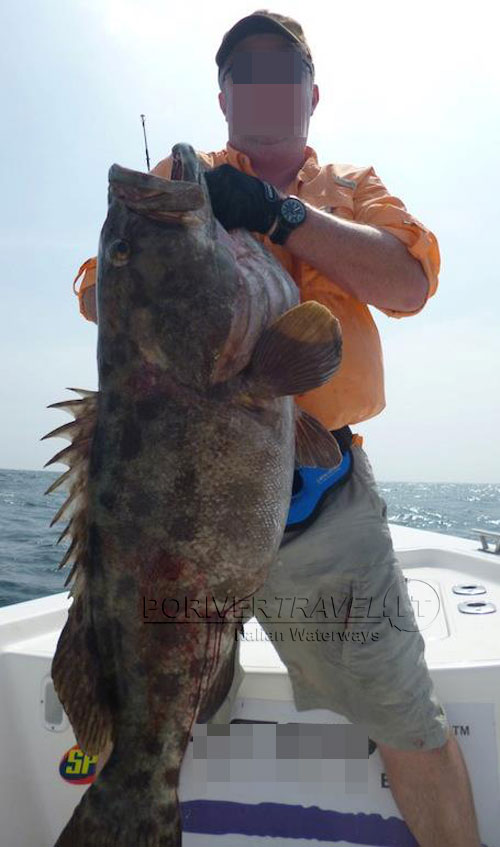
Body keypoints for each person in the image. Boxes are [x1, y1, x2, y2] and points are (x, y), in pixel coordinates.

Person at [76, 11, 482, 845]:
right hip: (178, 530)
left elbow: (407, 283)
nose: (263, 79)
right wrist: (175, 238)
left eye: (281, 65)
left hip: (317, 522)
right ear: (222, 95)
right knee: (148, 707)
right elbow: (99, 288)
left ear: (311, 93)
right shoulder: (179, 187)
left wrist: (279, 214)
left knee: (407, 718)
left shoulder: (355, 188)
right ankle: (132, 797)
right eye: (243, 67)